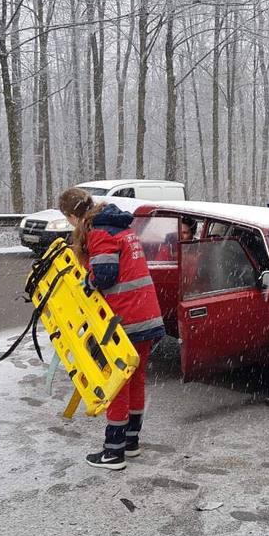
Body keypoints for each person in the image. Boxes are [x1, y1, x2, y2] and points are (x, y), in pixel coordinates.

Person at [59, 188, 166, 470]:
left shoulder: (101, 232)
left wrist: (87, 283)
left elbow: (105, 276)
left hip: (125, 319)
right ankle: (131, 443)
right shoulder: (120, 227)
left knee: (116, 382)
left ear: (72, 216)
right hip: (147, 315)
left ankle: (113, 452)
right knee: (136, 378)